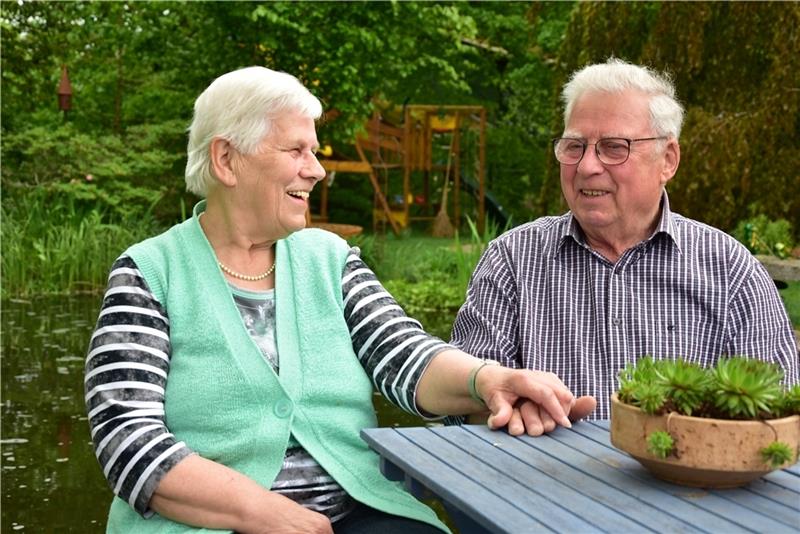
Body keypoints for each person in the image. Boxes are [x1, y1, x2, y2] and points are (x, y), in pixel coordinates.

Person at [84, 66, 595, 534]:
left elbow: (404, 356)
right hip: (207, 524)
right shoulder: (149, 272)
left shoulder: (328, 259)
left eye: (315, 152)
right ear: (226, 159)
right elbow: (126, 435)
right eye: (296, 151)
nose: (317, 170)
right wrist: (264, 512)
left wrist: (490, 382)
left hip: (356, 511)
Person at [451, 58, 798, 422]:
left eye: (614, 147)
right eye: (574, 146)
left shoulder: (731, 273)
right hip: (540, 473)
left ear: (668, 159)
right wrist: (508, 409)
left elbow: (779, 419)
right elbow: (462, 404)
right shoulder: (513, 260)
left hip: (686, 476)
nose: (587, 166)